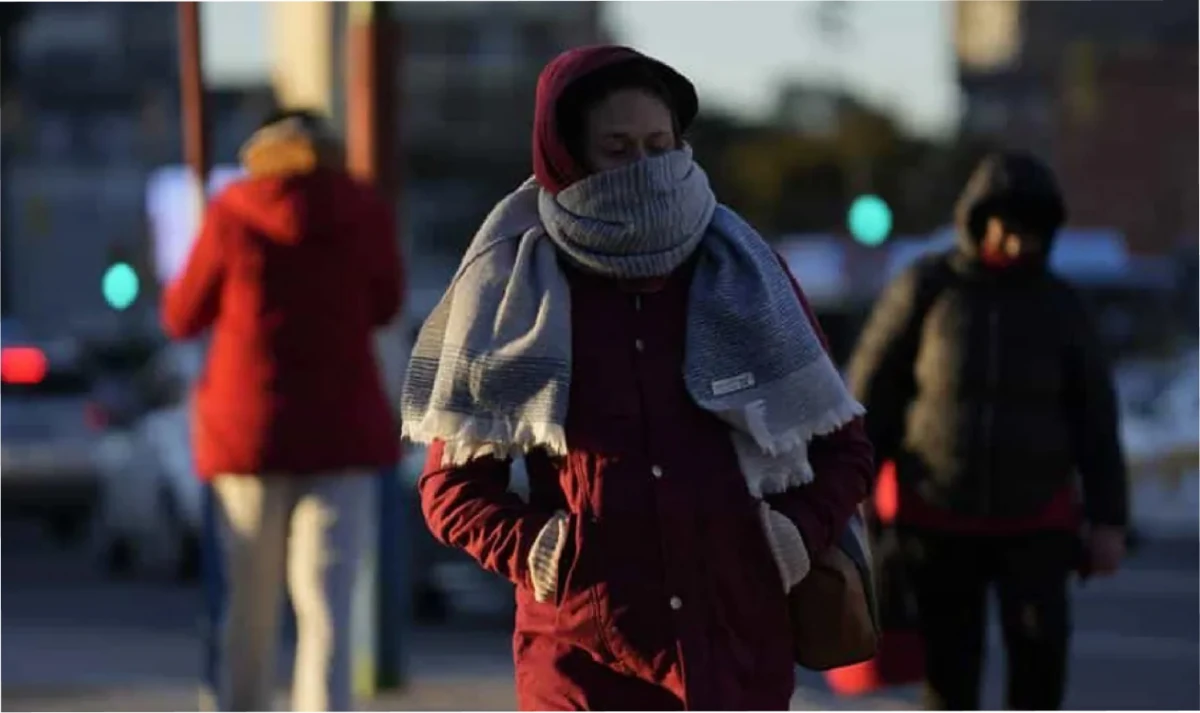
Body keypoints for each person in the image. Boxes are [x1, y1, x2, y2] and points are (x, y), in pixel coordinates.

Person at [403, 46, 875, 711]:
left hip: (735, 653)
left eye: (660, 144)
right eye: (618, 149)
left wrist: (789, 538)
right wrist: (547, 553)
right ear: (567, 157)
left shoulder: (744, 271)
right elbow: (451, 490)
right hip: (582, 659)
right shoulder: (513, 286)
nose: (647, 170)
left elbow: (845, 447)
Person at [847, 150, 1130, 710]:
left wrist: (1109, 519)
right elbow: (872, 393)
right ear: (977, 220)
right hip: (938, 518)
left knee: (1040, 669)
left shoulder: (1061, 305)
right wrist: (853, 485)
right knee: (951, 677)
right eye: (1009, 225)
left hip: (1038, 519)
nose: (1019, 240)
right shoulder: (927, 288)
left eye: (1034, 229)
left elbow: (1096, 417)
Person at [162, 109, 403, 712]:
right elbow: (387, 303)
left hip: (250, 430)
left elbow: (182, 314)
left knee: (248, 603)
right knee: (328, 605)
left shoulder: (233, 210)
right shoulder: (362, 208)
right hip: (342, 429)